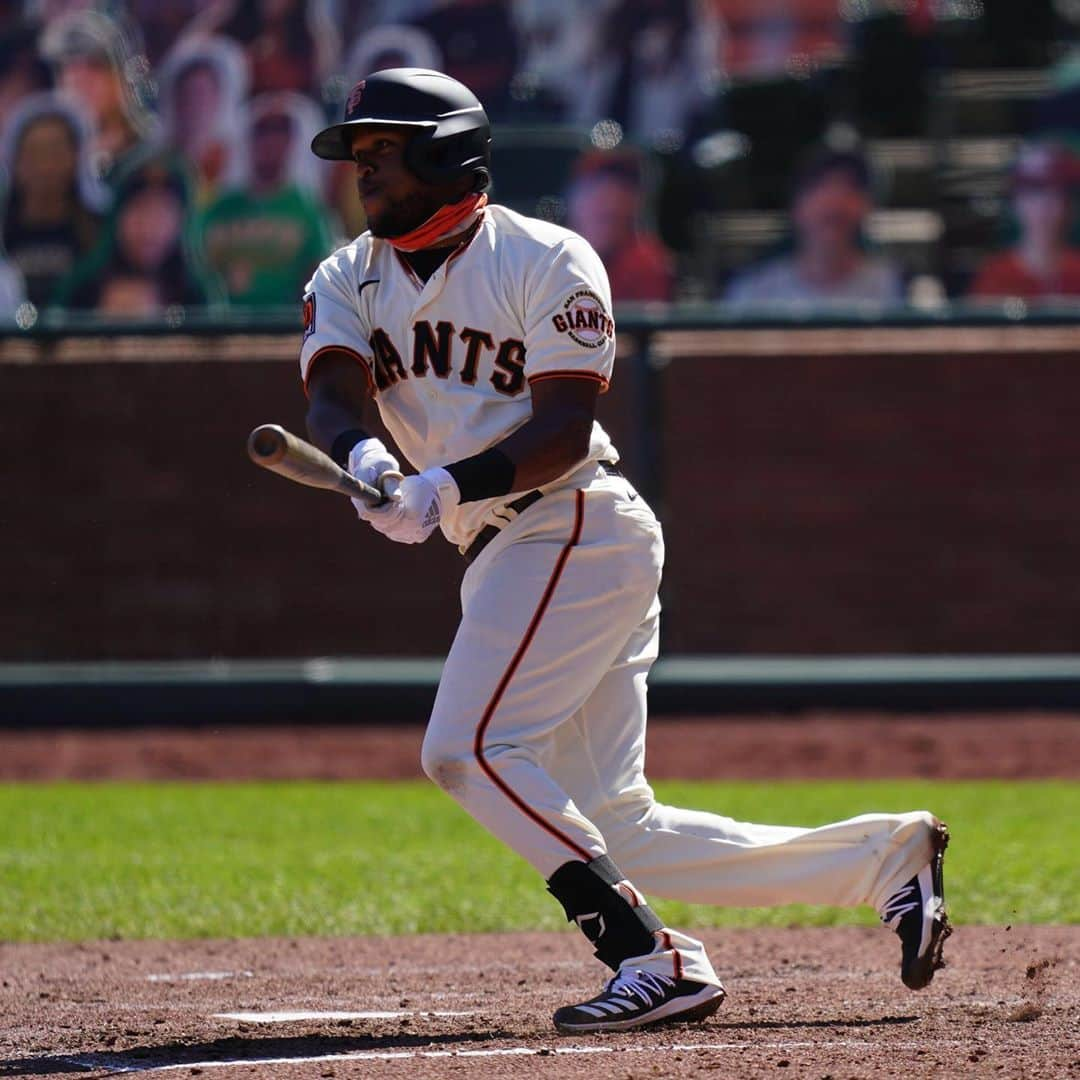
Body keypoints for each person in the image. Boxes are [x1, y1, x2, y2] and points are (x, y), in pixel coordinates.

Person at [297, 68, 951, 1035]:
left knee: (466, 748)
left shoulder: (547, 256)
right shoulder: (347, 275)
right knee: (618, 823)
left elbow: (562, 427)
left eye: (383, 151)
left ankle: (650, 956)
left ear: (446, 152)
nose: (364, 173)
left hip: (571, 520)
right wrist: (371, 468)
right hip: (508, 546)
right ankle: (886, 859)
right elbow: (331, 402)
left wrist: (442, 485)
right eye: (359, 155)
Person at [193, 92, 333, 307]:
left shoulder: (309, 211)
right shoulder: (219, 208)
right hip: (220, 327)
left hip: (284, 328)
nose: (271, 143)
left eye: (281, 135)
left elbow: (318, 278)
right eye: (263, 134)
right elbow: (197, 267)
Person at [725, 146, 905, 310]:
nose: (835, 201)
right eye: (821, 186)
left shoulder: (895, 286)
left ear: (867, 206)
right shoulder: (752, 292)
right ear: (796, 206)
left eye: (849, 187)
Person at [53, 152, 218, 315]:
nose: (149, 225)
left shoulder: (197, 295)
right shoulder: (82, 288)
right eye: (139, 208)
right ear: (116, 216)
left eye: (163, 212)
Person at [1, 92, 109, 307]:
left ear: (77, 158)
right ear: (16, 161)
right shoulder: (4, 228)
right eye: (35, 153)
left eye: (55, 152)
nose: (45, 165)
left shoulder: (102, 229)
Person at [39, 10, 152, 186]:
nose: (80, 82)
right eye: (70, 71)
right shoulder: (46, 155)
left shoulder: (150, 148)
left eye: (94, 67)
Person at [968, 142, 1080, 301]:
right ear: (1016, 201)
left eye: (1058, 192)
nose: (1046, 205)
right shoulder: (996, 275)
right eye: (1035, 190)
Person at [565, 148, 674, 303]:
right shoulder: (549, 259)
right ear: (573, 200)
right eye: (595, 189)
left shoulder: (647, 263)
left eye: (623, 191)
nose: (611, 203)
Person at [156, 36, 249, 206]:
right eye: (188, 94)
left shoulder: (239, 163)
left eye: (204, 95)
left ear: (220, 100)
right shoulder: (157, 163)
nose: (196, 105)